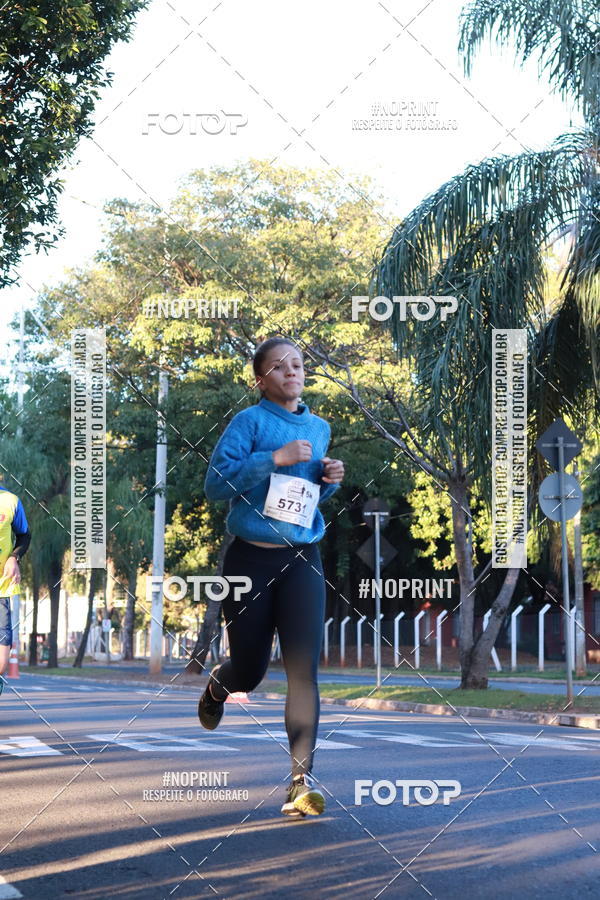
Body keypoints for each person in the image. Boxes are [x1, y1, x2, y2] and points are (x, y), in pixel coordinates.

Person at [200, 337, 344, 817]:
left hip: (302, 559)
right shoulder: (250, 422)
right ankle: (220, 686)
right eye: (279, 367)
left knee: (304, 671)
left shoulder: (320, 428)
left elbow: (299, 502)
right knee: (251, 671)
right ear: (261, 380)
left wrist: (326, 480)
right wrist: (273, 459)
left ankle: (299, 785)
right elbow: (215, 484)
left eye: (297, 365)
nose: (291, 372)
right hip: (250, 561)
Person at [0, 483, 31, 694]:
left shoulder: (10, 501)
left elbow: (24, 535)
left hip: (1, 589)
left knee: (1, 664)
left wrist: (14, 557)